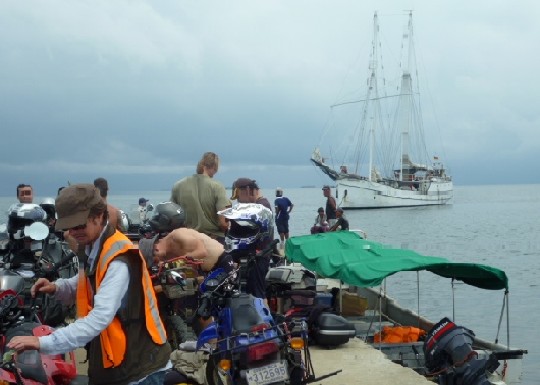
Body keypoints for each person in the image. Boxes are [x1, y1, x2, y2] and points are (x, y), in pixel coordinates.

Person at [7, 184, 171, 385]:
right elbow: (87, 280)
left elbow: (99, 318)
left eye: (80, 226)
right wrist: (58, 287)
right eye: (69, 227)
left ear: (99, 217)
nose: (74, 233)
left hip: (139, 369)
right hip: (116, 363)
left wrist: (43, 343)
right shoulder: (94, 246)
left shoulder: (118, 258)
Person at [170, 152, 231, 243]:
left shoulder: (178, 185)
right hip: (212, 240)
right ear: (215, 167)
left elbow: (172, 216)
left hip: (186, 240)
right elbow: (223, 223)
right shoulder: (217, 186)